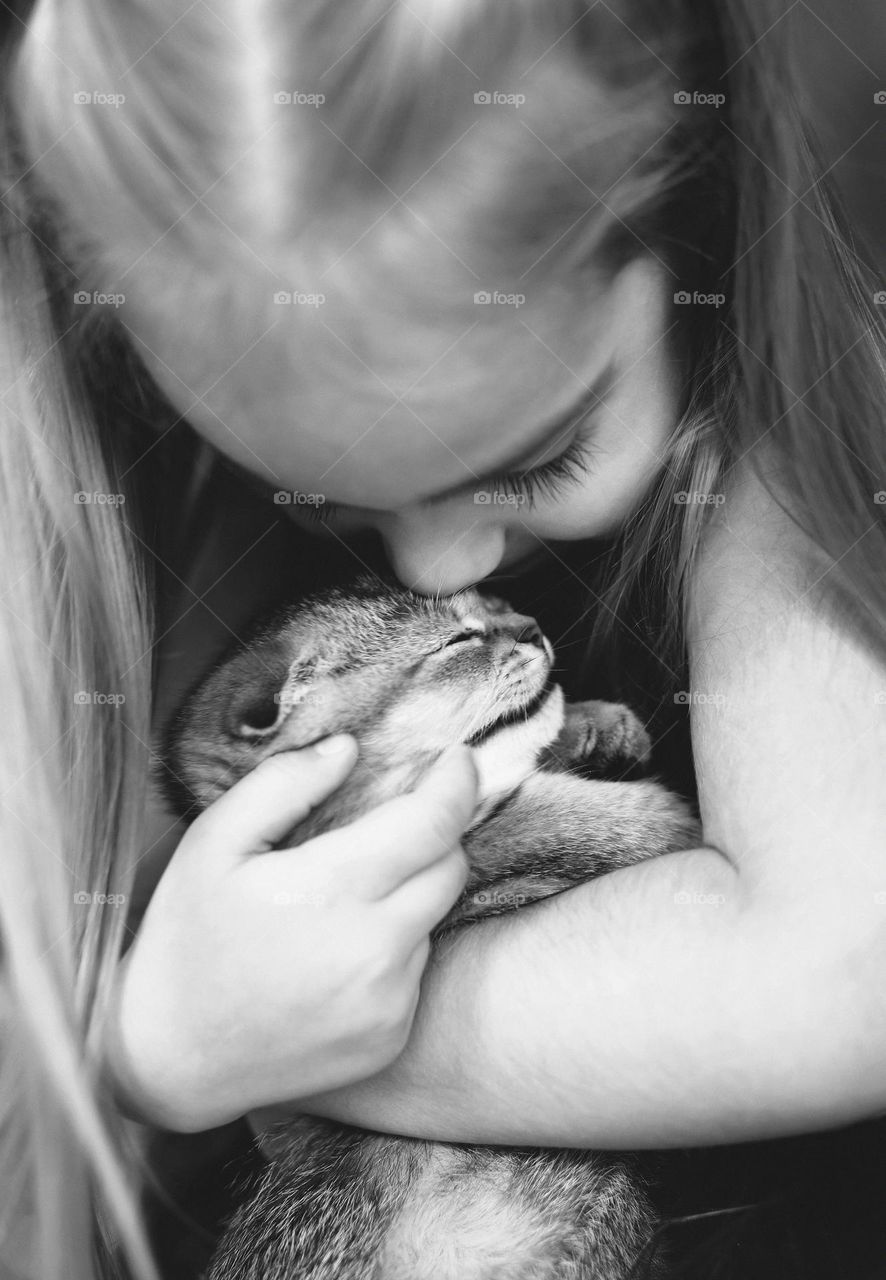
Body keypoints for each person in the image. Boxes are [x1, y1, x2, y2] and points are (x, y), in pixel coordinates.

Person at [1, 0, 884, 1277]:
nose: (436, 568)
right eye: (329, 504)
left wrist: (200, 1046)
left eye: (537, 458)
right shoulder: (114, 503)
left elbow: (841, 977)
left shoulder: (787, 419)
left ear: (695, 214)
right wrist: (141, 1045)